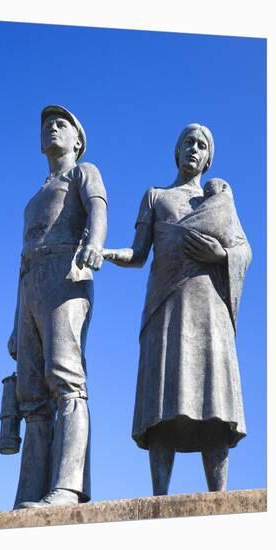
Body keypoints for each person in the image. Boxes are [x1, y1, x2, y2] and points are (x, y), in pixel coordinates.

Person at [102, 124, 251, 495]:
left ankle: (219, 498)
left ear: (209, 157)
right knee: (162, 399)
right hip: (165, 305)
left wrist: (222, 255)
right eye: (189, 142)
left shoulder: (218, 201)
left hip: (210, 306)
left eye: (202, 145)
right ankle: (159, 499)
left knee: (214, 399)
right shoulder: (155, 196)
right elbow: (137, 255)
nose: (194, 149)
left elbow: (244, 250)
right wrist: (103, 253)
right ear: (177, 150)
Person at [8, 105, 107, 508]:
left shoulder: (85, 172)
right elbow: (23, 258)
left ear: (77, 140)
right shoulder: (34, 199)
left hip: (66, 274)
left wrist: (95, 243)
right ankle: (30, 491)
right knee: (31, 393)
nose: (52, 127)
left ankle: (68, 486)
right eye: (47, 123)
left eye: (61, 123)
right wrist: (17, 323)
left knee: (65, 379)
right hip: (30, 284)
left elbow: (98, 207)